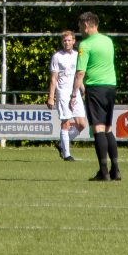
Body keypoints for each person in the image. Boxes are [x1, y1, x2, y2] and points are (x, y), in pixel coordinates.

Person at [75, 12, 122, 183]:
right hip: (111, 86)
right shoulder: (108, 41)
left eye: (80, 26)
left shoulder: (85, 45)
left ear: (87, 25)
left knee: (98, 129)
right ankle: (115, 170)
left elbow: (80, 72)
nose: (79, 29)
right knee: (108, 129)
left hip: (95, 87)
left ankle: (104, 172)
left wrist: (74, 93)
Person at [47, 29, 84, 162]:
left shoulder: (77, 55)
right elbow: (53, 78)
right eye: (64, 40)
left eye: (69, 40)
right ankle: (67, 154)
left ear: (74, 41)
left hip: (75, 92)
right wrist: (51, 96)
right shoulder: (57, 56)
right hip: (63, 92)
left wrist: (83, 89)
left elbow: (78, 75)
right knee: (66, 122)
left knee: (82, 124)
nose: (67, 43)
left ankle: (61, 144)